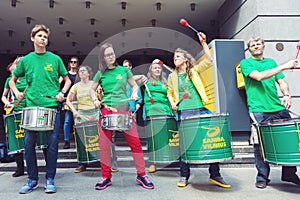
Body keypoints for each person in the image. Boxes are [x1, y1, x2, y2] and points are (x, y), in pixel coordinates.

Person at [9, 24, 71, 194]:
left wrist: (62, 93)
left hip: (51, 108)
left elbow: (67, 80)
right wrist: (17, 93)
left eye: (45, 36)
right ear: (32, 38)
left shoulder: (55, 59)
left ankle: (50, 179)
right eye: (40, 36)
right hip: (31, 108)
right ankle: (32, 179)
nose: (43, 39)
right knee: (29, 145)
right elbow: (12, 81)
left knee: (52, 146)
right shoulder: (26, 60)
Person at [167, 32, 231, 188]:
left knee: (211, 139)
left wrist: (203, 42)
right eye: (174, 57)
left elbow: (209, 60)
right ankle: (184, 175)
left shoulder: (194, 71)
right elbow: (169, 92)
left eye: (177, 57)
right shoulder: (172, 77)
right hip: (183, 111)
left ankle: (215, 174)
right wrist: (173, 104)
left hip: (200, 109)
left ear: (185, 59)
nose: (175, 59)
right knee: (184, 145)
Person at [90, 42, 154, 190]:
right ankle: (105, 177)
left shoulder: (124, 71)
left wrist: (133, 93)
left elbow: (135, 85)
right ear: (103, 58)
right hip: (107, 110)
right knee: (104, 145)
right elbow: (92, 90)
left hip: (124, 109)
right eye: (107, 55)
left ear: (115, 54)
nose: (110, 56)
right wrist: (94, 99)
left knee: (135, 143)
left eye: (111, 54)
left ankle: (142, 175)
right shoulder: (100, 73)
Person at [240, 37, 299, 189]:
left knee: (289, 139)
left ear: (263, 46)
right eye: (252, 45)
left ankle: (289, 173)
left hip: (278, 107)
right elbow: (259, 76)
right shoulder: (246, 63)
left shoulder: (271, 62)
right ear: (250, 49)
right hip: (258, 109)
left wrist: (286, 94)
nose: (256, 46)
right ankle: (262, 177)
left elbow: (282, 82)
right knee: (260, 144)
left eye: (258, 44)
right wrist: (285, 66)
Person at [66, 65, 100, 173]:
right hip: (81, 114)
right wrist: (74, 111)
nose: (81, 72)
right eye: (80, 71)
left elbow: (100, 98)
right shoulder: (75, 86)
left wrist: (99, 97)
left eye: (84, 71)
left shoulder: (94, 84)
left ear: (89, 73)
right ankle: (82, 163)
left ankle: (103, 161)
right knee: (81, 139)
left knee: (98, 137)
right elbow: (68, 100)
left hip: (94, 113)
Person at [144, 59, 174, 173]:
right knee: (153, 139)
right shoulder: (146, 82)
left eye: (159, 68)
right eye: (154, 68)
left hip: (166, 112)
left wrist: (164, 64)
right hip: (152, 114)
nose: (157, 69)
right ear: (150, 70)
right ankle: (152, 162)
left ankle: (167, 158)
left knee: (166, 138)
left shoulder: (166, 82)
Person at [1, 57, 25, 177]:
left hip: (29, 110)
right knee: (16, 140)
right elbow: (3, 96)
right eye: (17, 63)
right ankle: (20, 168)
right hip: (16, 110)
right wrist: (7, 102)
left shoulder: (30, 77)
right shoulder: (10, 80)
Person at [61, 56, 79, 149]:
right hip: (68, 100)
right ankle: (66, 140)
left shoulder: (79, 74)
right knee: (67, 121)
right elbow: (57, 83)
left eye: (75, 62)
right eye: (71, 61)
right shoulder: (65, 75)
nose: (73, 63)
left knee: (78, 121)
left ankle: (78, 140)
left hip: (79, 100)